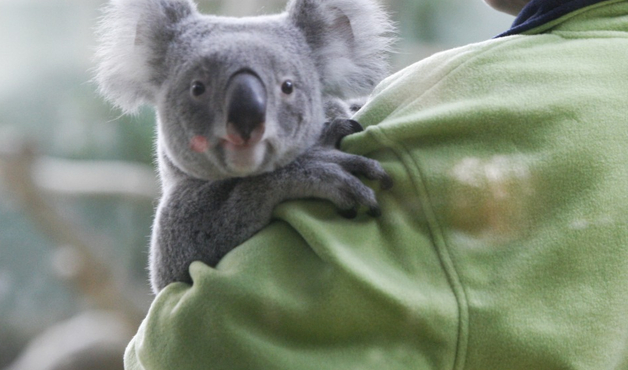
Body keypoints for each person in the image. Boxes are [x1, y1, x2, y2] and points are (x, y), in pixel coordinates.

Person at [124, 0, 628, 368]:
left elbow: (191, 347)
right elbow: (175, 261)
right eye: (198, 89)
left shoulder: (461, 97)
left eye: (286, 88)